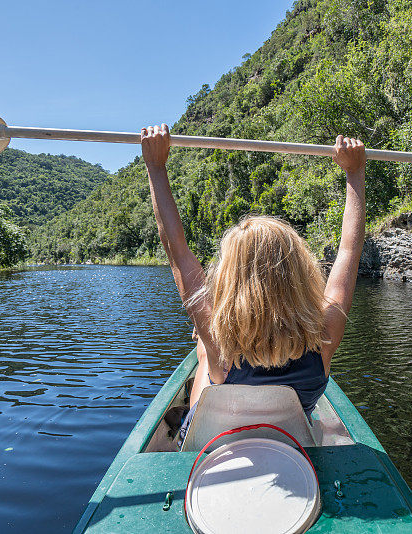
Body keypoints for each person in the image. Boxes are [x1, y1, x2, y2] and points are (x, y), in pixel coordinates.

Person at [141, 124, 365, 441]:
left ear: (231, 281)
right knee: (207, 340)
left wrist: (156, 166)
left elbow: (177, 250)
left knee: (205, 352)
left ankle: (188, 422)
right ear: (301, 273)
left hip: (219, 438)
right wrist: (355, 173)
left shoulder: (219, 342)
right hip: (291, 438)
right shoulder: (325, 336)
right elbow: (348, 251)